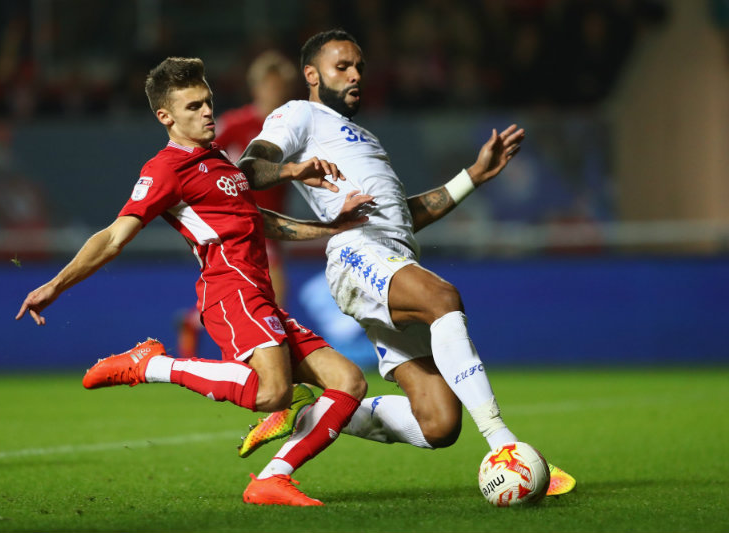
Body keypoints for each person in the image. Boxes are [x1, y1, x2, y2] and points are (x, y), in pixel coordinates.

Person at [15, 56, 377, 507]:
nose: (207, 112)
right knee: (271, 392)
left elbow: (258, 221)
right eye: (193, 107)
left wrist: (331, 228)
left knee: (349, 381)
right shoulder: (165, 169)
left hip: (258, 292)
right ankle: (151, 365)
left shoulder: (218, 160)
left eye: (207, 102)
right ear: (165, 117)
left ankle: (271, 479)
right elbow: (113, 236)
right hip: (230, 290)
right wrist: (56, 284)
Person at [235, 29, 576, 496]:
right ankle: (505, 445)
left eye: (359, 67)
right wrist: (295, 169)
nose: (356, 75)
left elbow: (403, 218)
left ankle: (315, 412)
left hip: (392, 256)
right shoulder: (299, 114)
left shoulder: (364, 136)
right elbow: (251, 169)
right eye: (342, 67)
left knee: (438, 423)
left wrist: (472, 177)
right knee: (442, 298)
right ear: (311, 75)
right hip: (357, 254)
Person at [176, 50, 297, 358]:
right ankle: (273, 362)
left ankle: (195, 321)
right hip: (239, 221)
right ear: (256, 87)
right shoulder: (236, 124)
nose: (276, 92)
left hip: (273, 222)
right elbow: (196, 155)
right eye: (270, 86)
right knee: (274, 291)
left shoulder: (292, 128)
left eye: (281, 86)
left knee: (244, 292)